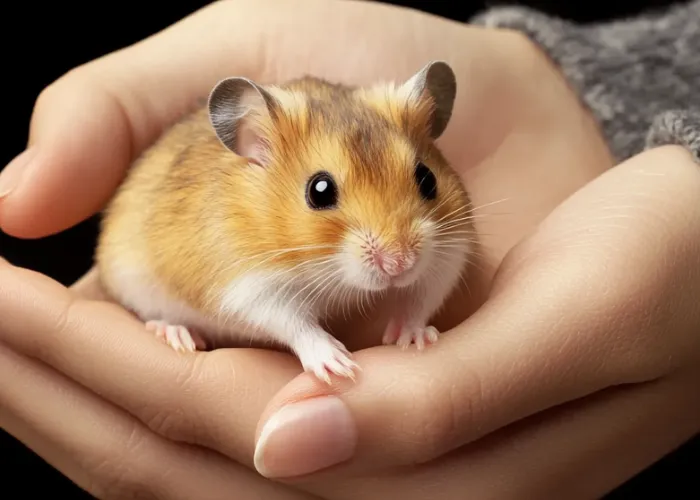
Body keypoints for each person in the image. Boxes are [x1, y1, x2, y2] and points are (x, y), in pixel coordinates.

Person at [0, 0, 698, 498]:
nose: (392, 247)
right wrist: (304, 338)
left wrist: (419, 309)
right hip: (163, 280)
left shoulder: (428, 199)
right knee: (138, 273)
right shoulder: (237, 209)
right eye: (326, 193)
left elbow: (443, 251)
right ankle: (150, 318)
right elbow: (239, 291)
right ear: (256, 148)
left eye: (417, 180)